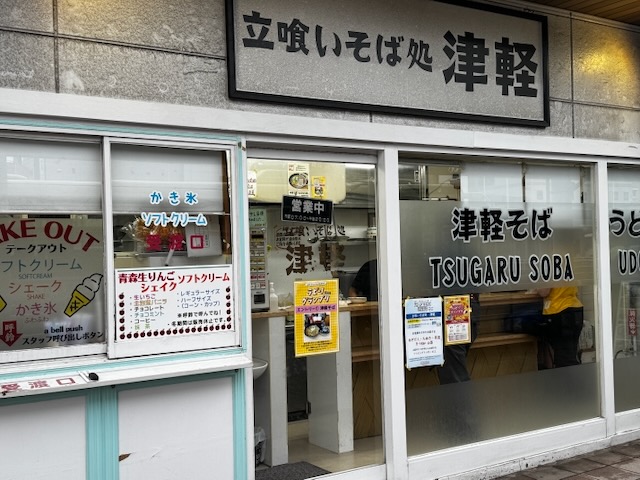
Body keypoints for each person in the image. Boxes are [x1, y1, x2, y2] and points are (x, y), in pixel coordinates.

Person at [535, 287, 584, 368]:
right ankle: (574, 374)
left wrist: (536, 288)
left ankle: (565, 375)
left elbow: (544, 292)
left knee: (563, 357)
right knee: (570, 354)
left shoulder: (552, 276)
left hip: (558, 310)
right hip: (575, 307)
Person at [437, 293, 480, 384]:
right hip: (462, 305)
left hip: (454, 306)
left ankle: (459, 393)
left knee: (454, 374)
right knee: (455, 368)